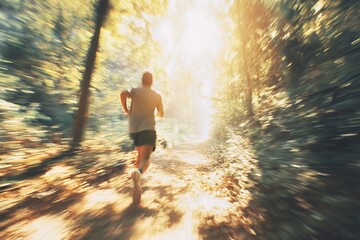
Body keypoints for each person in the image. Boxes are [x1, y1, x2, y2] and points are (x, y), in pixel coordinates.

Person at [120, 71, 164, 205]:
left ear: (142, 80)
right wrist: (153, 115)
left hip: (134, 130)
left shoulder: (135, 91)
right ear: (152, 82)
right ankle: (138, 173)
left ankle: (136, 184)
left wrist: (127, 110)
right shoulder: (157, 95)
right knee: (146, 159)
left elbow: (123, 93)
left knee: (139, 156)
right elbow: (162, 113)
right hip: (148, 129)